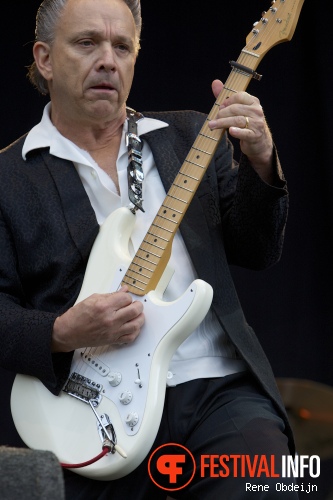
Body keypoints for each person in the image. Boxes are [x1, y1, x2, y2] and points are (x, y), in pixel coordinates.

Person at [0, 0, 299, 498]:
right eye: (87, 43)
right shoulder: (10, 179)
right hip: (93, 414)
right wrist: (60, 331)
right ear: (45, 58)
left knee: (273, 486)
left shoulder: (187, 135)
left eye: (123, 46)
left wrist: (262, 161)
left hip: (222, 392)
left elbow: (259, 250)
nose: (108, 61)